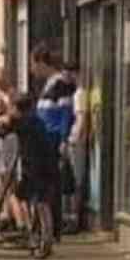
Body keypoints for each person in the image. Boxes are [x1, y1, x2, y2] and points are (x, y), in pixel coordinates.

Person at [0, 93, 60, 250]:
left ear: (17, 109)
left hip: (32, 168)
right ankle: (47, 236)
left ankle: (26, 229)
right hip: (49, 166)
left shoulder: (19, 121)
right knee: (42, 202)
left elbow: (0, 129)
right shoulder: (38, 121)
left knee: (18, 196)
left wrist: (2, 119)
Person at [31, 43, 75, 241]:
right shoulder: (49, 83)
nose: (32, 70)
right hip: (43, 139)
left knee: (50, 186)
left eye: (34, 64)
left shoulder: (60, 83)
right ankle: (45, 227)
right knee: (46, 185)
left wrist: (64, 140)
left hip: (52, 140)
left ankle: (53, 228)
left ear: (42, 63)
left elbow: (66, 112)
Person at [0, 67, 20, 227]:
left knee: (6, 179)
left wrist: (4, 112)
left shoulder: (12, 95)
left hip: (7, 140)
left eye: (1, 79)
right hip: (0, 140)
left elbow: (13, 117)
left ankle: (17, 218)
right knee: (2, 180)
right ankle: (7, 214)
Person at [64, 63, 88, 233]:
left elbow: (81, 118)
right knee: (75, 179)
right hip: (78, 141)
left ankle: (74, 218)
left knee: (75, 180)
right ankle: (74, 216)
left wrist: (73, 140)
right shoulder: (80, 93)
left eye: (68, 75)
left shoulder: (79, 94)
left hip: (76, 142)